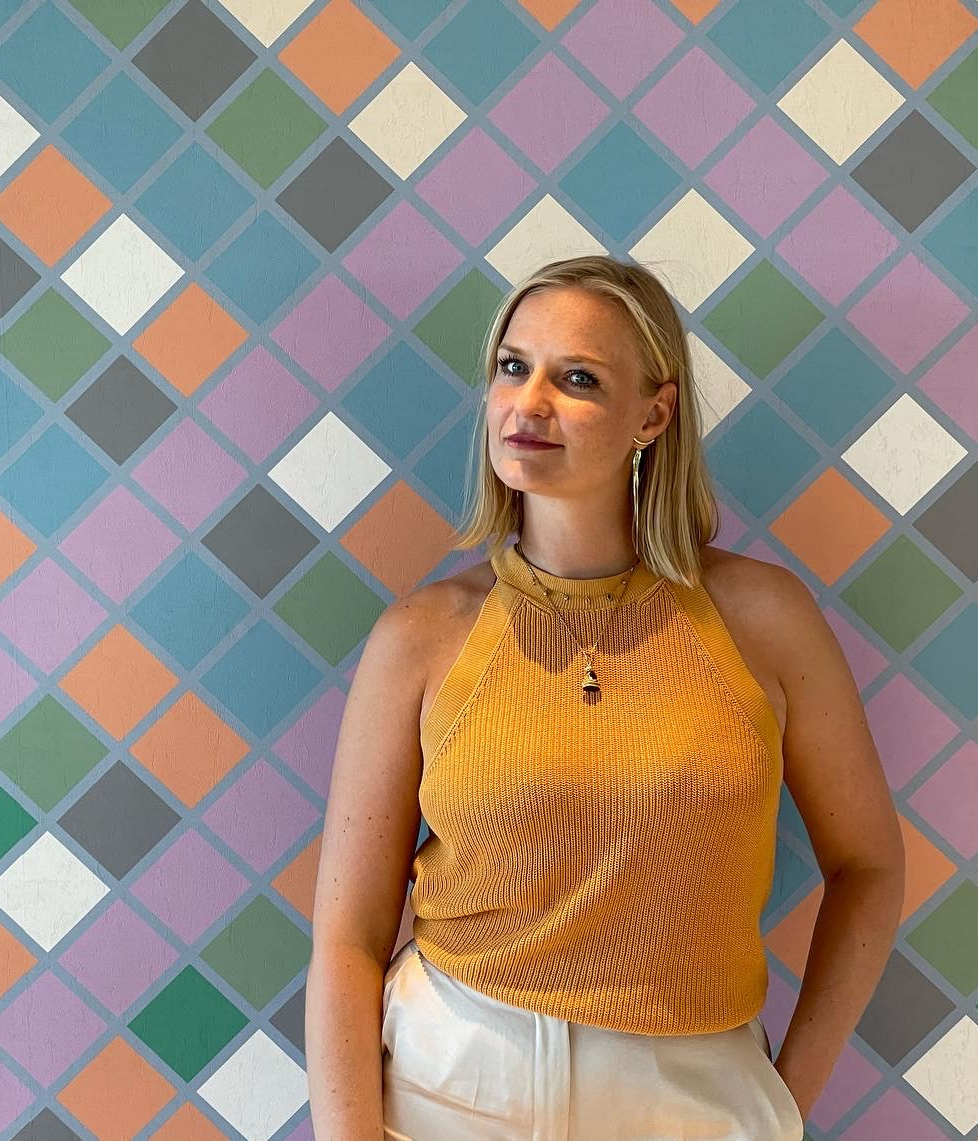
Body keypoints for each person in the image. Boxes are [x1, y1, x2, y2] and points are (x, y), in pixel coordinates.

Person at [306, 255, 905, 1139]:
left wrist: (784, 1101)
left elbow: (870, 866)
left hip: (693, 1098)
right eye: (513, 366)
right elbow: (348, 939)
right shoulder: (422, 637)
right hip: (452, 1087)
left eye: (577, 378)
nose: (528, 402)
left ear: (653, 415)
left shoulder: (763, 620)